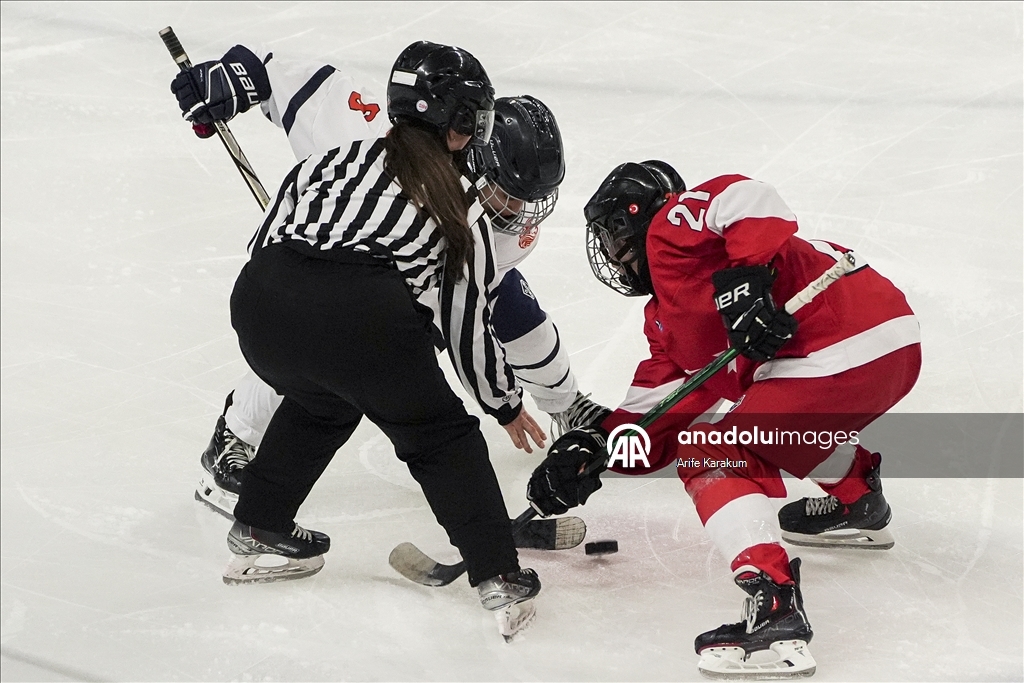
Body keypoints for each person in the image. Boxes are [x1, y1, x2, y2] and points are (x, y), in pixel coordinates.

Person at [171, 40, 541, 640]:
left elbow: (262, 245)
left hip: (259, 305)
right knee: (439, 437)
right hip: (360, 319)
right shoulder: (455, 210)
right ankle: (498, 575)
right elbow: (465, 325)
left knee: (324, 397)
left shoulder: (333, 159)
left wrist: (301, 303)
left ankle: (259, 525)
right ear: (458, 125)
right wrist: (505, 405)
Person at [524, 162, 921, 677]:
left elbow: (749, 198)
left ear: (633, 222)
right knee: (766, 417)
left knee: (711, 450)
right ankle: (858, 497)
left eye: (614, 239)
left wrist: (746, 280)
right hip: (888, 348)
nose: (616, 257)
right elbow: (650, 422)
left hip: (840, 341)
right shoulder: (665, 322)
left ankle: (773, 602)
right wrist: (590, 451)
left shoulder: (672, 228)